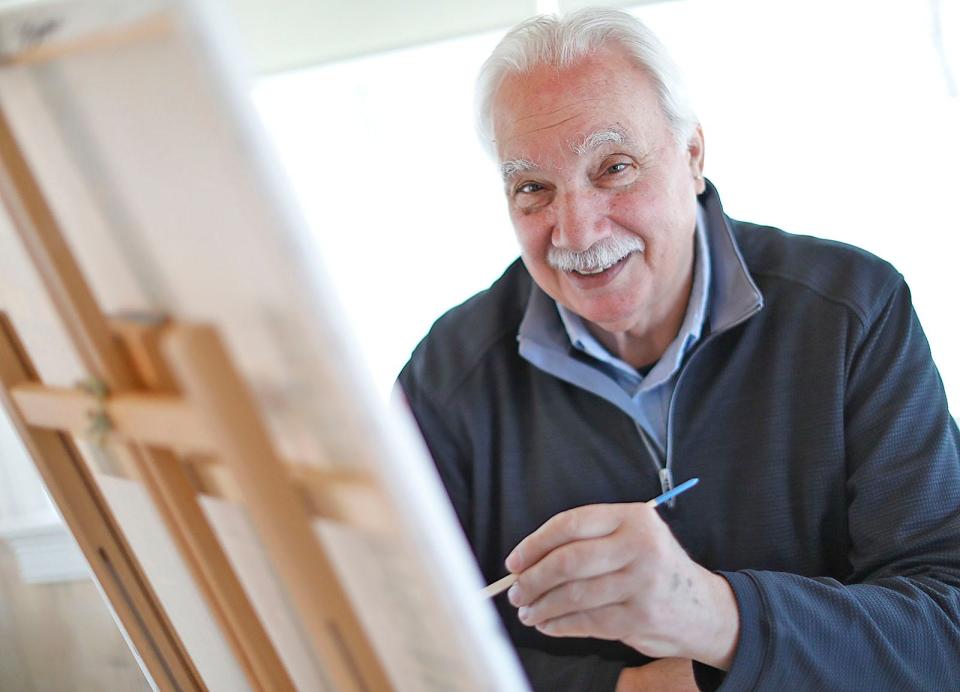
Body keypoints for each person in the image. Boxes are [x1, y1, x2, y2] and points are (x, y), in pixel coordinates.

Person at [397, 8, 960, 691]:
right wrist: (627, 689)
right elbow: (410, 643)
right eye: (533, 189)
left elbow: (944, 626)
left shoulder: (852, 311)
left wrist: (713, 619)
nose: (576, 232)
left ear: (692, 155)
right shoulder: (447, 377)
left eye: (613, 167)